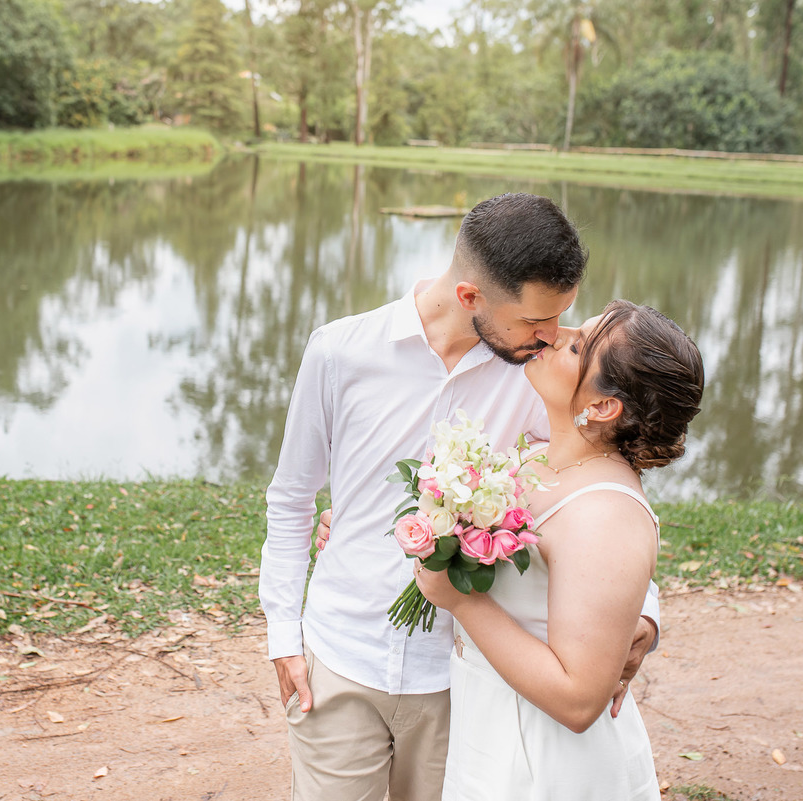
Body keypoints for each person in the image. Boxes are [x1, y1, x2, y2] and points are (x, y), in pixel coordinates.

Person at [259, 193, 659, 801]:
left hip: (462, 680)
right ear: (471, 296)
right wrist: (284, 636)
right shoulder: (339, 352)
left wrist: (646, 616)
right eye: (534, 321)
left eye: (559, 317)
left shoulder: (541, 382)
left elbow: (598, 498)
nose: (551, 337)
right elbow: (291, 499)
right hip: (340, 657)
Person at [414, 299, 704, 799]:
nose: (552, 335)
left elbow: (577, 700)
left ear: (602, 407)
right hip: (491, 725)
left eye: (577, 345)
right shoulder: (537, 457)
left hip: (549, 767)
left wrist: (460, 598)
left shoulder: (606, 515)